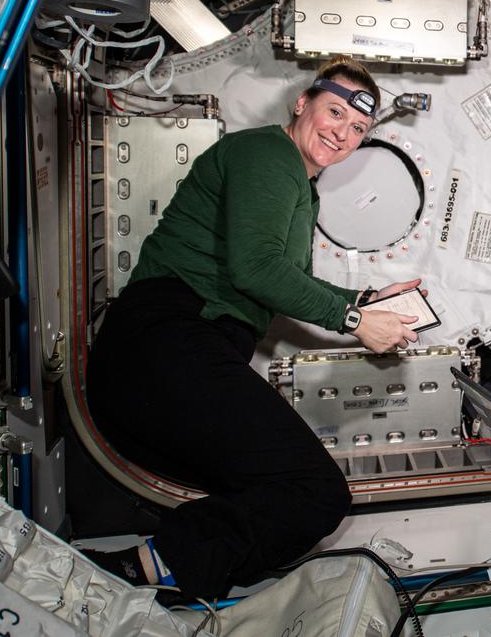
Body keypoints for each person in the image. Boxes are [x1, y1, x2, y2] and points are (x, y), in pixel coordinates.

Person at [82, 57, 422, 599]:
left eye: (358, 128)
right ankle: (142, 570)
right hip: (166, 344)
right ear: (302, 104)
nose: (343, 132)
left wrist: (362, 299)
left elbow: (279, 280)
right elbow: (256, 270)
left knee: (288, 490)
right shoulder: (269, 154)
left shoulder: (300, 187)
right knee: (315, 491)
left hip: (171, 356)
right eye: (335, 112)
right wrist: (355, 321)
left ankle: (156, 578)